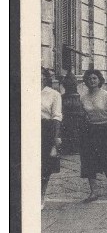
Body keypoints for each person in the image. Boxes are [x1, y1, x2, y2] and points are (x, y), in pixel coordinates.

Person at [79, 69, 107, 202]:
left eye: (94, 78)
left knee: (106, 160)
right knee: (89, 161)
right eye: (90, 78)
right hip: (90, 131)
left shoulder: (106, 95)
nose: (92, 81)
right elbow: (84, 114)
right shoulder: (83, 97)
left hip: (106, 130)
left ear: (99, 80)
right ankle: (93, 192)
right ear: (86, 81)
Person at [41, 68, 62, 208]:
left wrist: (56, 137)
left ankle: (41, 195)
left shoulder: (53, 94)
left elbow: (56, 116)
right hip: (25, 127)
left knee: (45, 166)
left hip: (45, 130)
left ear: (45, 78)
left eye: (40, 76)